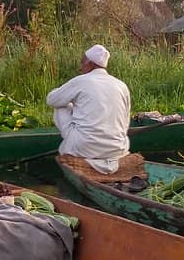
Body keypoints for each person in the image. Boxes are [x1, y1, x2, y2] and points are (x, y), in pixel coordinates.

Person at [46, 44, 131, 174]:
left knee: (60, 106)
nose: (80, 68)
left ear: (90, 64)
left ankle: (74, 144)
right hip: (117, 149)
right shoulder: (121, 85)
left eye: (82, 62)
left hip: (83, 148)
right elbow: (125, 123)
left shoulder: (81, 81)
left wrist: (69, 103)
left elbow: (51, 100)